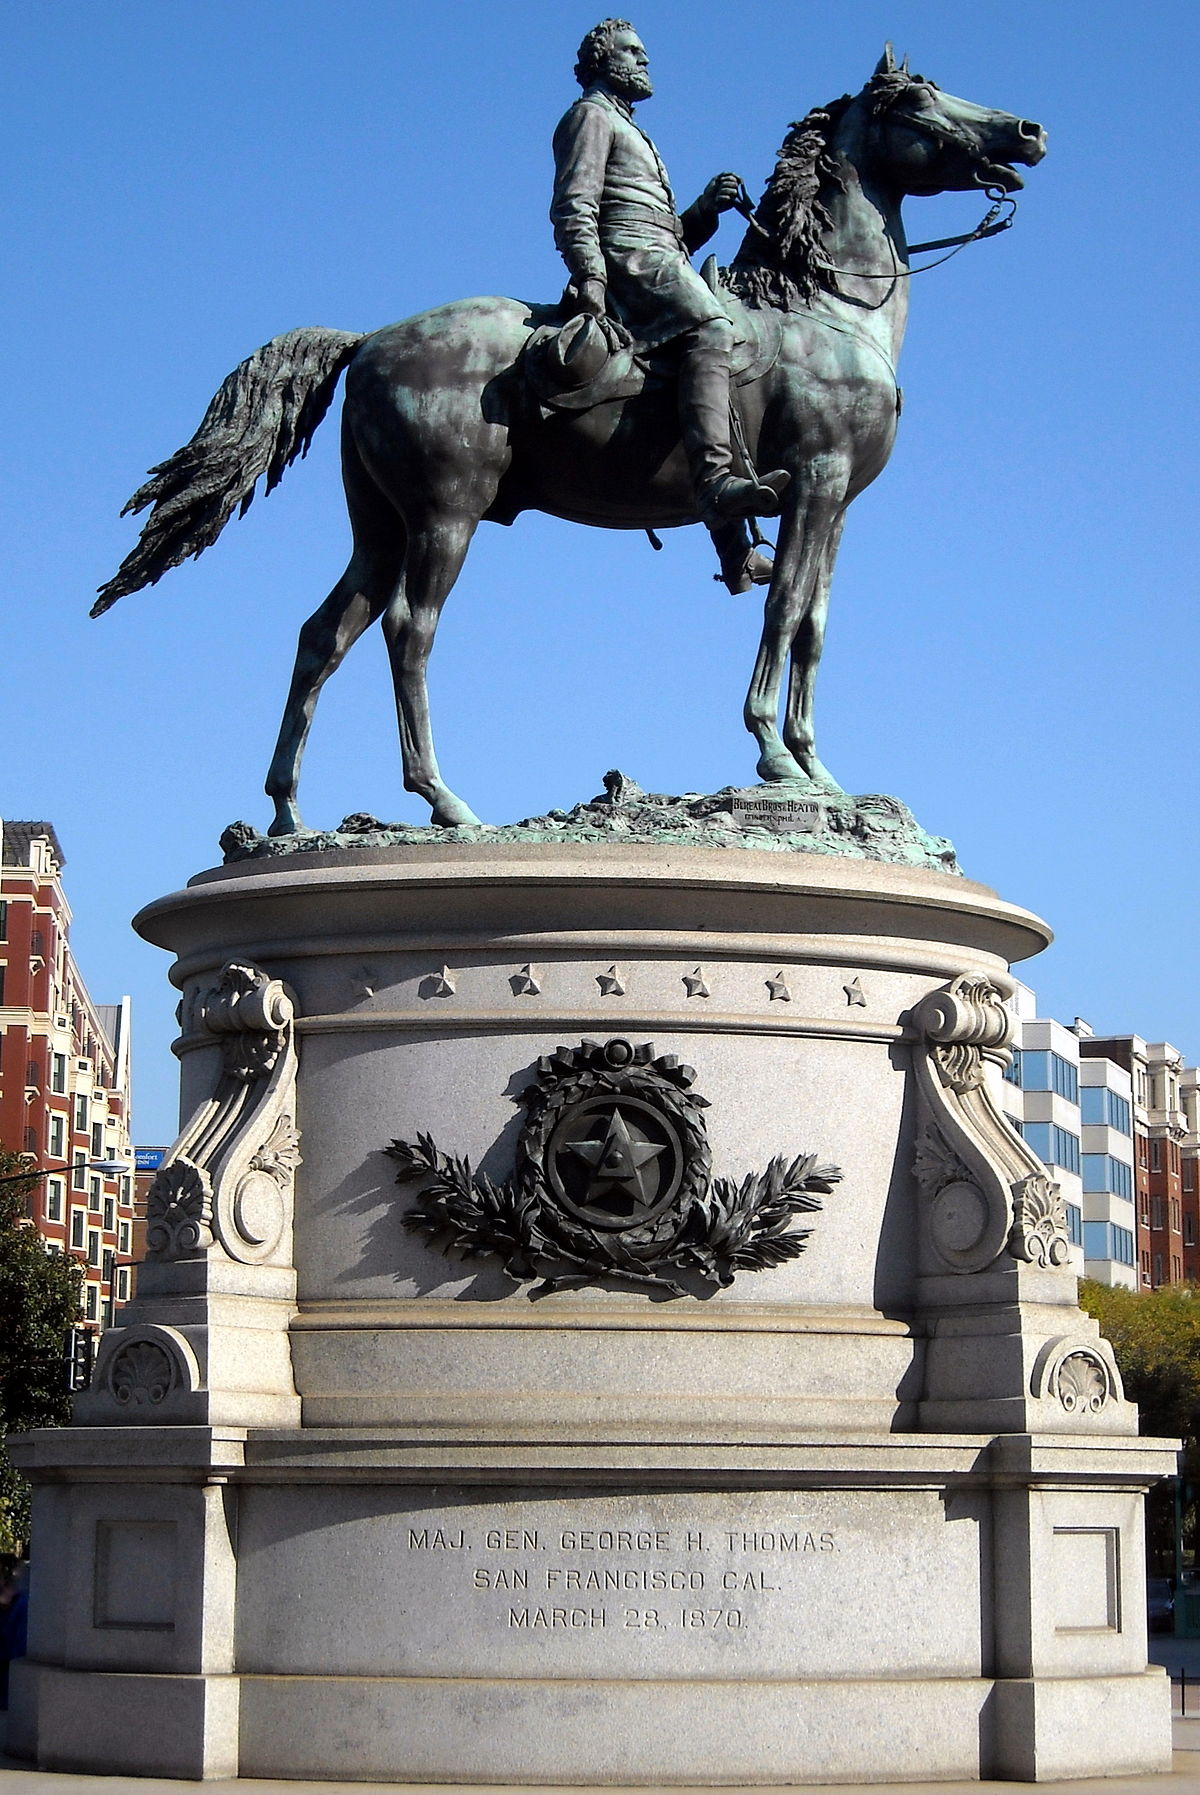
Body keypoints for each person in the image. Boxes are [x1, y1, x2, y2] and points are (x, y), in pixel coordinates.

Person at [551, 20, 787, 590]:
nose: (645, 62)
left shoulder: (629, 126)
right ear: (603, 62)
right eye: (633, 53)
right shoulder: (591, 116)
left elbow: (669, 233)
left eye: (644, 54)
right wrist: (590, 275)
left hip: (659, 256)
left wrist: (706, 209)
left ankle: (735, 552)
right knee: (712, 327)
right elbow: (574, 204)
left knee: (723, 363)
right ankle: (713, 485)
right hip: (628, 260)